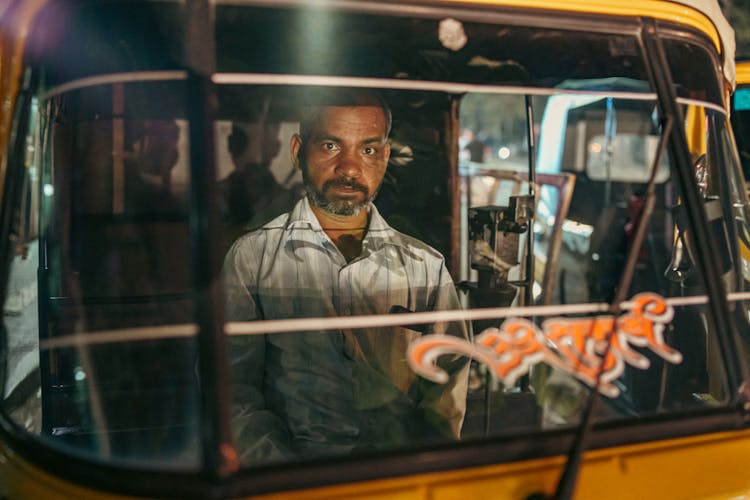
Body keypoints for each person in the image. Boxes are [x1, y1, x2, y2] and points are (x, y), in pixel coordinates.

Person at [222, 89, 470, 463]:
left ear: (385, 157)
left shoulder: (425, 266)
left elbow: (445, 395)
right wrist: (288, 478)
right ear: (297, 151)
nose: (350, 169)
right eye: (330, 146)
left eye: (368, 150)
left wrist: (418, 474)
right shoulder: (253, 259)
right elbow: (231, 393)